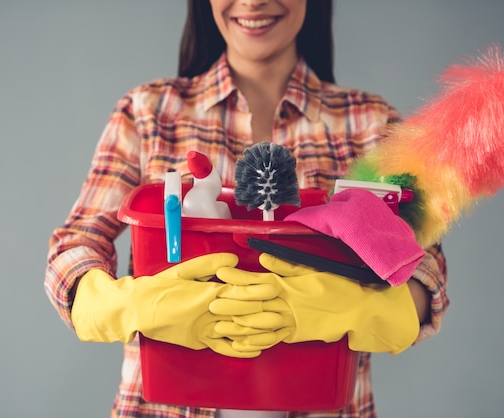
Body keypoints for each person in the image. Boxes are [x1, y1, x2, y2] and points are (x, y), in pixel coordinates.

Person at [44, 0, 449, 417]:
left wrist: (362, 307)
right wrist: (122, 304)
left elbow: (424, 270)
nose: (253, 1)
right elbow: (74, 245)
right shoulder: (148, 113)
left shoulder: (370, 124)